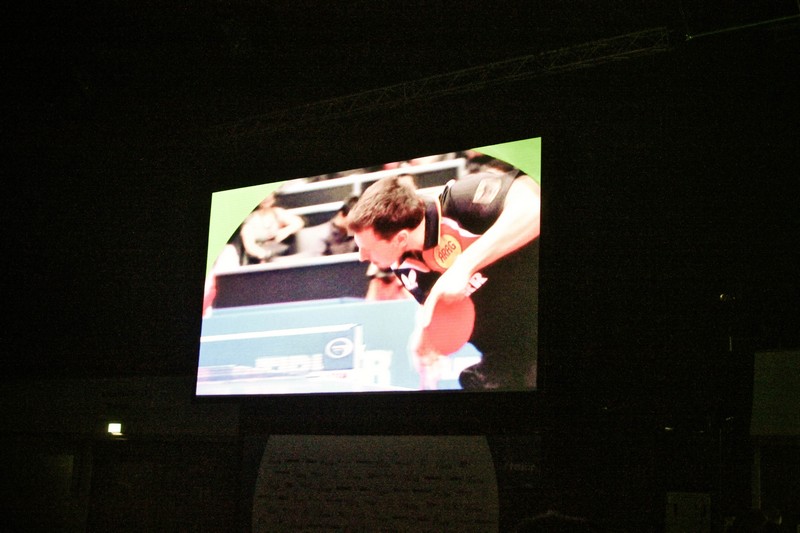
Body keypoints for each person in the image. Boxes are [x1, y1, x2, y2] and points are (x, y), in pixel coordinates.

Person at [347, 166, 540, 390]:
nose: (361, 257)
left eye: (368, 248)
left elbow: (535, 205)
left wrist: (464, 266)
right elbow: (436, 300)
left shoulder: (462, 199)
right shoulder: (403, 265)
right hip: (508, 352)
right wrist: (426, 331)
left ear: (400, 238)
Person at [239, 192, 305, 263]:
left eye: (269, 196)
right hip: (259, 258)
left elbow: (298, 222)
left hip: (280, 253)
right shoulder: (250, 220)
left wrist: (286, 231)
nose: (266, 198)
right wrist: (263, 255)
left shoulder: (277, 212)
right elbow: (249, 246)